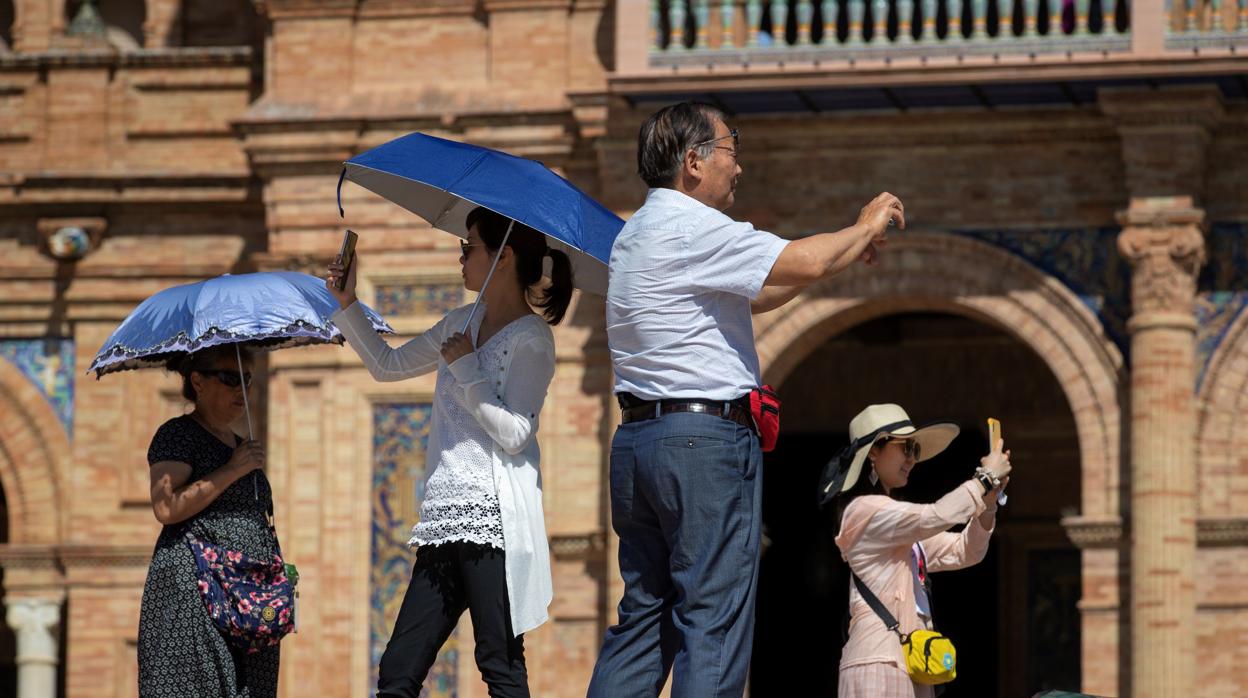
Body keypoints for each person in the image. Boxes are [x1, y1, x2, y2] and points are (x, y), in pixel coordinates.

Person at [588, 100, 904, 697]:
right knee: (713, 619)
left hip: (639, 443)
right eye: (732, 148)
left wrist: (831, 262)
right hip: (702, 446)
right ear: (693, 162)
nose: (739, 166)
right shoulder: (695, 226)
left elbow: (751, 296)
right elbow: (801, 258)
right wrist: (864, 225)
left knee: (644, 619)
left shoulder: (635, 233)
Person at [326, 207, 574, 698]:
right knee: (397, 670)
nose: (460, 257)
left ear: (502, 257)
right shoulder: (460, 323)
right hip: (444, 519)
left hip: (494, 520)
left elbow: (515, 433)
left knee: (499, 664)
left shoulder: (532, 339)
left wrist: (467, 371)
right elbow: (387, 365)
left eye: (469, 248)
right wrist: (347, 302)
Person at [825, 403, 1011, 698]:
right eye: (904, 447)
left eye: (915, 449)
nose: (912, 458)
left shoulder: (899, 525)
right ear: (873, 451)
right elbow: (934, 516)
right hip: (878, 662)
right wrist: (984, 478)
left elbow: (966, 551)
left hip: (913, 664)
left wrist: (988, 505)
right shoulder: (863, 511)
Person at [138, 345, 278, 697]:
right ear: (197, 381)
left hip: (249, 600)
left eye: (246, 380)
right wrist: (234, 469)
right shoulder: (178, 435)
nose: (240, 390)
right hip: (196, 597)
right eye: (230, 379)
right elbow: (167, 506)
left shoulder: (241, 445)